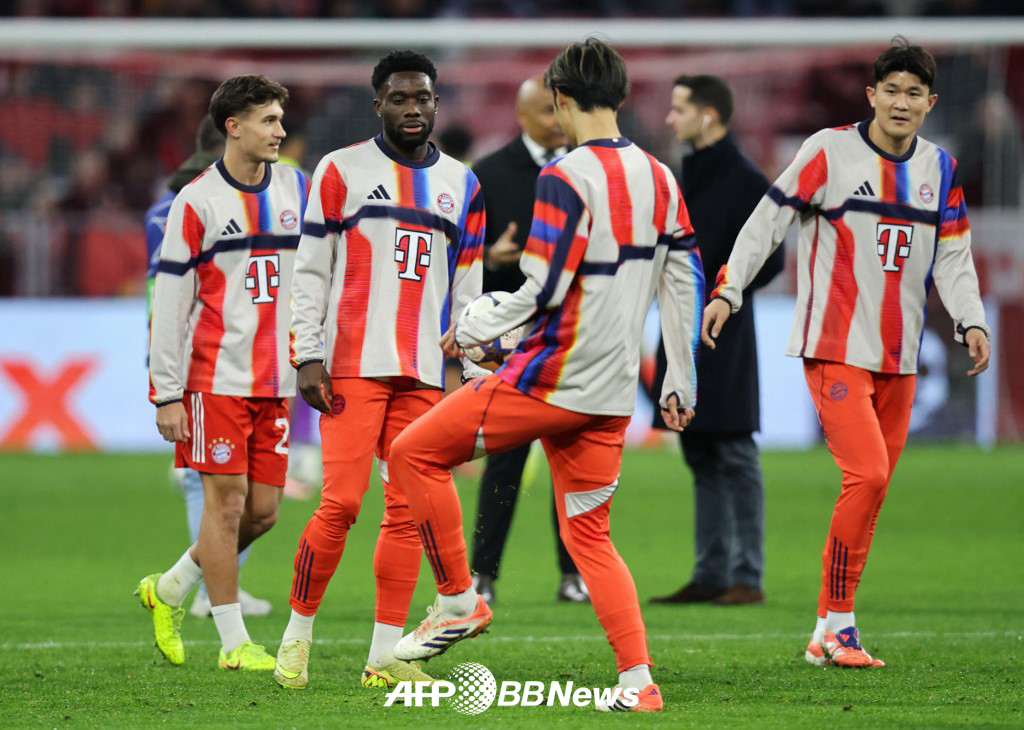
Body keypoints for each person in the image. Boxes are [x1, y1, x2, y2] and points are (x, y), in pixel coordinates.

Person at [388, 39, 704, 713]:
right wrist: (680, 377)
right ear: (620, 96)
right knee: (591, 537)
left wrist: (474, 324)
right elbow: (684, 279)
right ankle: (638, 684)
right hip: (615, 389)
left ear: (560, 100)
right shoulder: (660, 176)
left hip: (552, 380)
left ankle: (457, 601)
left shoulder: (563, 177)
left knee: (411, 453)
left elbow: (543, 286)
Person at [702, 37, 990, 668]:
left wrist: (971, 319)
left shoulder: (939, 169)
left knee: (873, 491)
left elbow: (954, 256)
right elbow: (767, 220)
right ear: (872, 95)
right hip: (834, 347)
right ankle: (839, 626)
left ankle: (825, 629)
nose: (901, 102)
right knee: (869, 474)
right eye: (891, 90)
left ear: (929, 102)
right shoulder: (829, 150)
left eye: (914, 93)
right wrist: (729, 286)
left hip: (901, 357)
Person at [274, 50, 484, 691]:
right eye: (399, 98)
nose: (412, 109)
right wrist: (307, 353)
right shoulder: (338, 171)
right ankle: (296, 637)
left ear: (436, 103)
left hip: (422, 371)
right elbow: (309, 270)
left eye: (422, 97)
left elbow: (468, 290)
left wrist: (471, 370)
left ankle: (383, 656)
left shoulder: (465, 185)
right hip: (352, 366)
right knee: (340, 501)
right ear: (379, 106)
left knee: (404, 511)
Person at [139, 75, 306, 671]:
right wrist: (166, 392)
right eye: (268, 120)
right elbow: (171, 305)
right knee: (227, 504)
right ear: (233, 127)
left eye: (281, 120)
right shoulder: (198, 202)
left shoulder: (298, 188)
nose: (280, 131)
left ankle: (171, 587)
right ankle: (234, 643)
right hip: (215, 377)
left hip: (277, 381)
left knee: (264, 512)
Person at [650, 75, 783, 607]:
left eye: (679, 108)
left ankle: (746, 575)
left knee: (732, 450)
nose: (669, 118)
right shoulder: (691, 174)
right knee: (701, 451)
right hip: (682, 328)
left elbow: (773, 256)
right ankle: (710, 573)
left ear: (708, 115)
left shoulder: (743, 178)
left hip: (723, 335)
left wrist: (726, 293)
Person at [143, 114, 273, 620]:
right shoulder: (194, 204)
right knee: (213, 485)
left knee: (244, 499)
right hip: (200, 350)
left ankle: (195, 579)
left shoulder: (162, 207)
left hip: (187, 344)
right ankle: (213, 591)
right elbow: (176, 288)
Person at [469, 75, 588, 605]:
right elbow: (460, 255)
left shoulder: (585, 170)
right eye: (546, 110)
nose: (557, 120)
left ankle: (574, 574)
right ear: (520, 116)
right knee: (504, 462)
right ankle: (483, 575)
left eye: (561, 109)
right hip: (512, 341)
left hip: (573, 333)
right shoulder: (488, 175)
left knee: (575, 461)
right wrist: (488, 260)